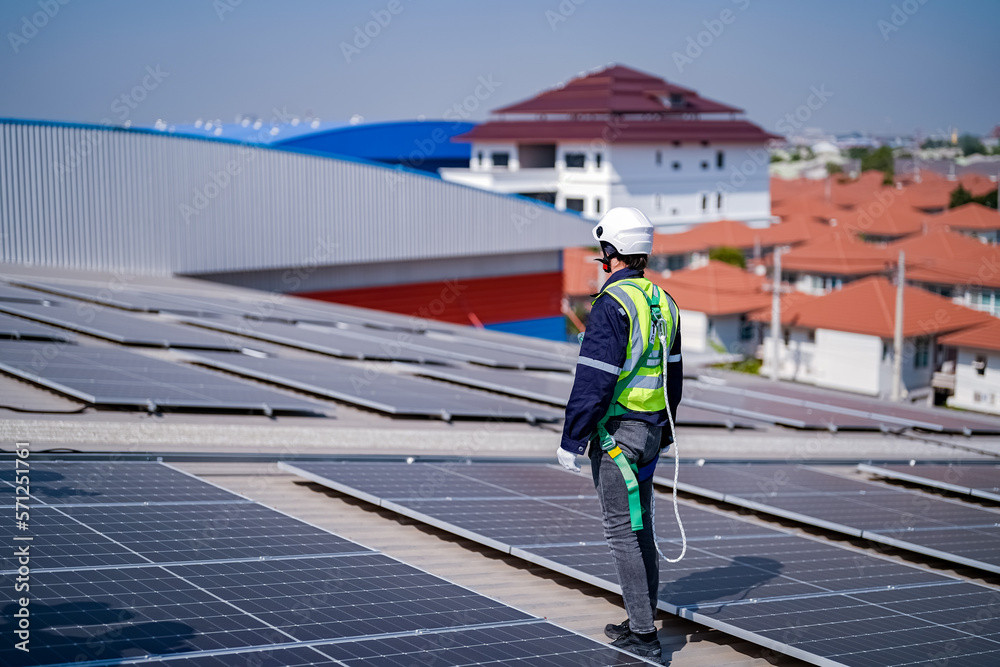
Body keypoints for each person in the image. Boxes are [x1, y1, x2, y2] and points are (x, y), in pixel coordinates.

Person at [557, 207, 682, 663]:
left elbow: (594, 379)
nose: (601, 261)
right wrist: (664, 431)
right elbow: (674, 376)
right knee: (640, 526)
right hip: (650, 431)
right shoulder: (663, 302)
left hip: (617, 436)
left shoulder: (611, 305)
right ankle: (639, 618)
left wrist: (572, 438)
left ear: (612, 252)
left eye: (602, 253)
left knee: (621, 531)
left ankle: (644, 635)